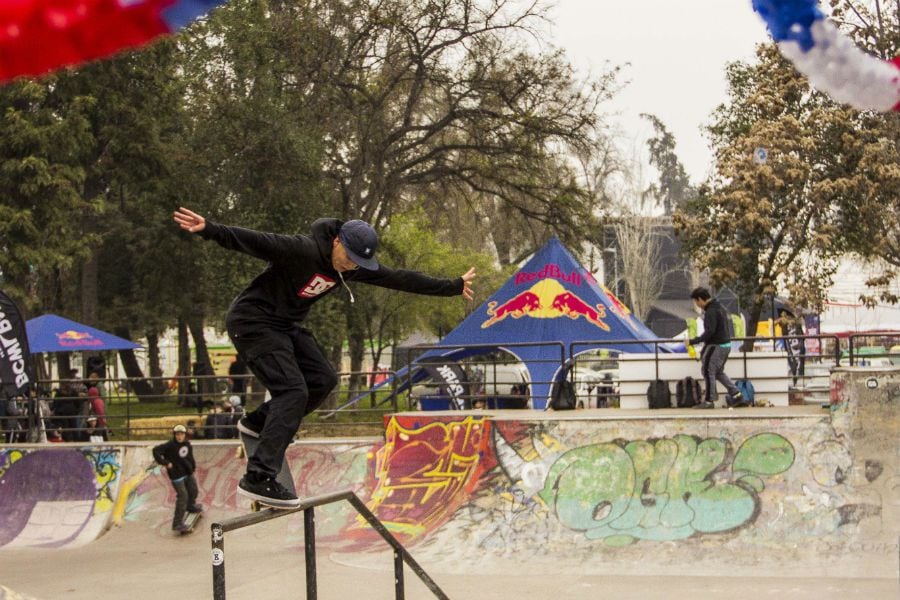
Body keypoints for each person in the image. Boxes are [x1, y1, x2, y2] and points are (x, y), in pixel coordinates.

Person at [173, 207, 476, 508]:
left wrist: (453, 286)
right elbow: (255, 240)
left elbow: (400, 278)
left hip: (284, 326)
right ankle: (258, 476)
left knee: (323, 380)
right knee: (292, 391)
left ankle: (257, 423)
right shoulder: (302, 250)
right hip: (253, 322)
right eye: (348, 259)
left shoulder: (352, 266)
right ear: (336, 242)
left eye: (358, 264)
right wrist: (209, 228)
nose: (349, 268)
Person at [688, 287, 746, 409]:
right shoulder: (719, 307)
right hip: (726, 345)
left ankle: (709, 401)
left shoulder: (711, 311)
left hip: (717, 346)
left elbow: (710, 332)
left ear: (700, 299)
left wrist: (693, 341)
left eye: (696, 302)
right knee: (718, 372)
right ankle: (737, 395)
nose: (697, 305)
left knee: (708, 371)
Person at [152, 424, 203, 532]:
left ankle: (190, 506)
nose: (179, 437)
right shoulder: (169, 445)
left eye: (181, 435)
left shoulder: (187, 444)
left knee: (193, 491)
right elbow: (155, 451)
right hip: (176, 475)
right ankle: (177, 524)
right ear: (174, 435)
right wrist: (165, 462)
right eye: (177, 435)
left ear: (185, 435)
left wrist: (192, 467)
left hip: (187, 473)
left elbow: (190, 457)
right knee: (183, 497)